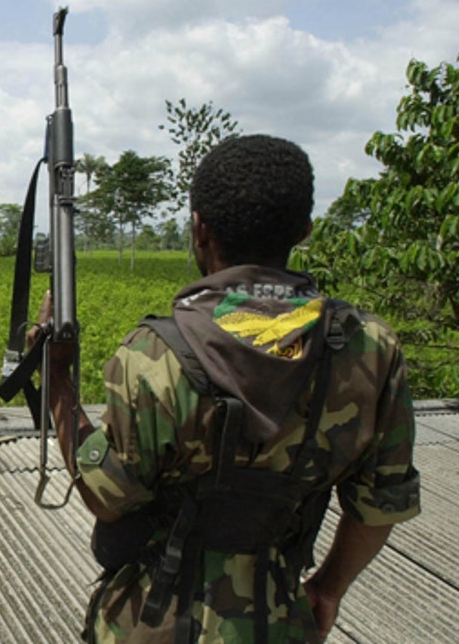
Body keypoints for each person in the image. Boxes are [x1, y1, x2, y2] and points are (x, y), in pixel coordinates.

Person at [45, 135, 420, 643]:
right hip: (281, 621)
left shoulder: (154, 354)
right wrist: (328, 589)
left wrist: (58, 385)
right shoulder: (370, 348)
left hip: (150, 625)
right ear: (304, 230)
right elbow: (382, 504)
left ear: (199, 229)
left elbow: (108, 497)